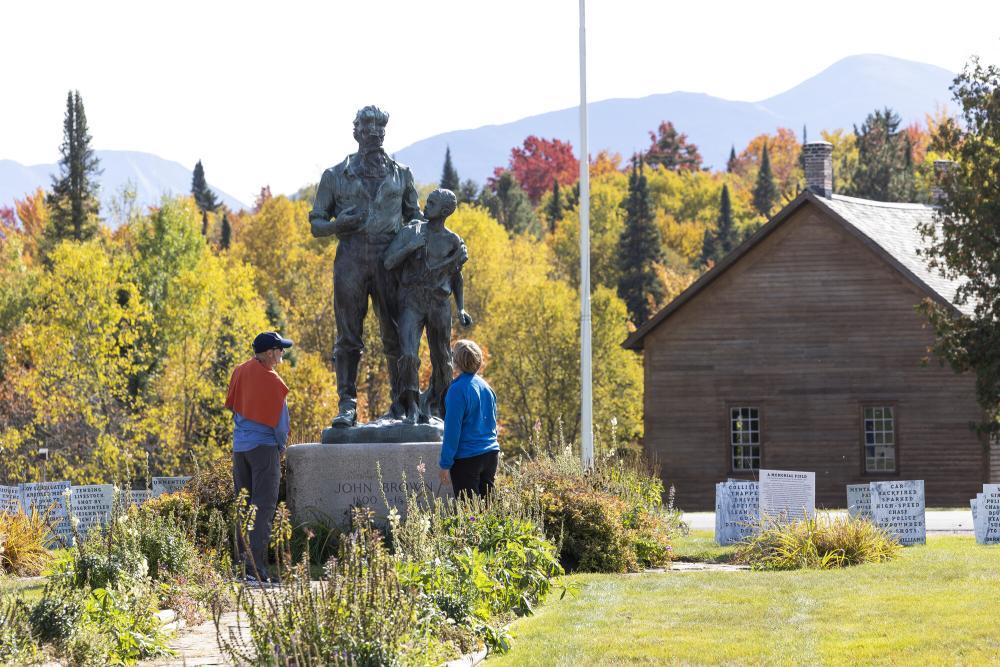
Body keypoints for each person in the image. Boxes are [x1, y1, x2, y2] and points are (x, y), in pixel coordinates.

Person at [309, 105, 422, 427]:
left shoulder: (401, 173)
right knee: (348, 337)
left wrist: (414, 235)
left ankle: (402, 402)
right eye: (368, 128)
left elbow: (415, 215)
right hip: (351, 258)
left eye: (380, 129)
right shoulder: (335, 175)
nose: (374, 133)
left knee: (397, 334)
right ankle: (347, 405)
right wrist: (336, 225)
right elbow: (317, 223)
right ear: (356, 132)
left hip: (390, 260)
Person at [383, 188, 472, 423]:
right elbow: (389, 261)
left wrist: (461, 308)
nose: (426, 205)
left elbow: (456, 277)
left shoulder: (452, 241)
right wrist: (410, 247)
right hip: (411, 300)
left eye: (432, 203)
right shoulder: (410, 231)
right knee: (408, 354)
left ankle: (437, 406)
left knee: (443, 359)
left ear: (444, 211)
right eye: (428, 200)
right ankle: (410, 405)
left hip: (439, 303)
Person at [224, 331, 293, 582]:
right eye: (279, 349)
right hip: (264, 450)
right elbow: (280, 425)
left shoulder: (239, 371)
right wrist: (281, 447)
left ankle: (241, 565)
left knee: (243, 505)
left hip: (240, 449)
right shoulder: (273, 381)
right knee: (262, 507)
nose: (282, 353)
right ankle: (255, 569)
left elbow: (234, 407)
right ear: (269, 353)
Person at [438, 340, 500, 499]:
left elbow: (452, 430)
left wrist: (445, 464)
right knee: (488, 510)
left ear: (456, 362)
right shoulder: (487, 387)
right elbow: (493, 424)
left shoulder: (457, 390)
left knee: (470, 514)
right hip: (491, 454)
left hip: (468, 458)